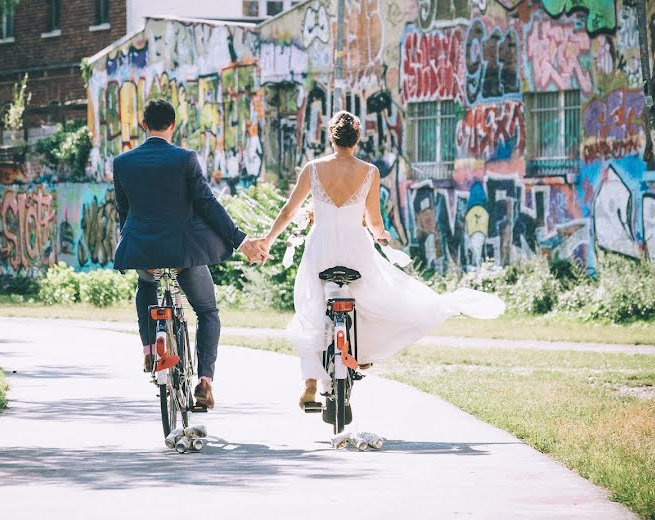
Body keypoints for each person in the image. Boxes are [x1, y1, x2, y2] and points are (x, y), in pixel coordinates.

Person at [260, 111, 505, 408]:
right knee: (366, 301)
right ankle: (358, 354)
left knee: (312, 309)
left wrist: (268, 241)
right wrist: (383, 237)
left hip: (320, 248)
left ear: (331, 136)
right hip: (354, 247)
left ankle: (310, 385)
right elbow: (374, 220)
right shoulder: (369, 172)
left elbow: (288, 211)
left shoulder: (313, 168)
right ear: (357, 139)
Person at [112, 98, 269, 410]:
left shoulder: (122, 163)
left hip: (143, 251)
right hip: (183, 253)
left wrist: (132, 244)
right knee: (207, 312)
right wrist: (241, 241)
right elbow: (207, 203)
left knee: (146, 287)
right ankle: (205, 382)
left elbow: (124, 211)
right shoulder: (185, 158)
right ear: (173, 126)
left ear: (144, 125)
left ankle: (148, 349)